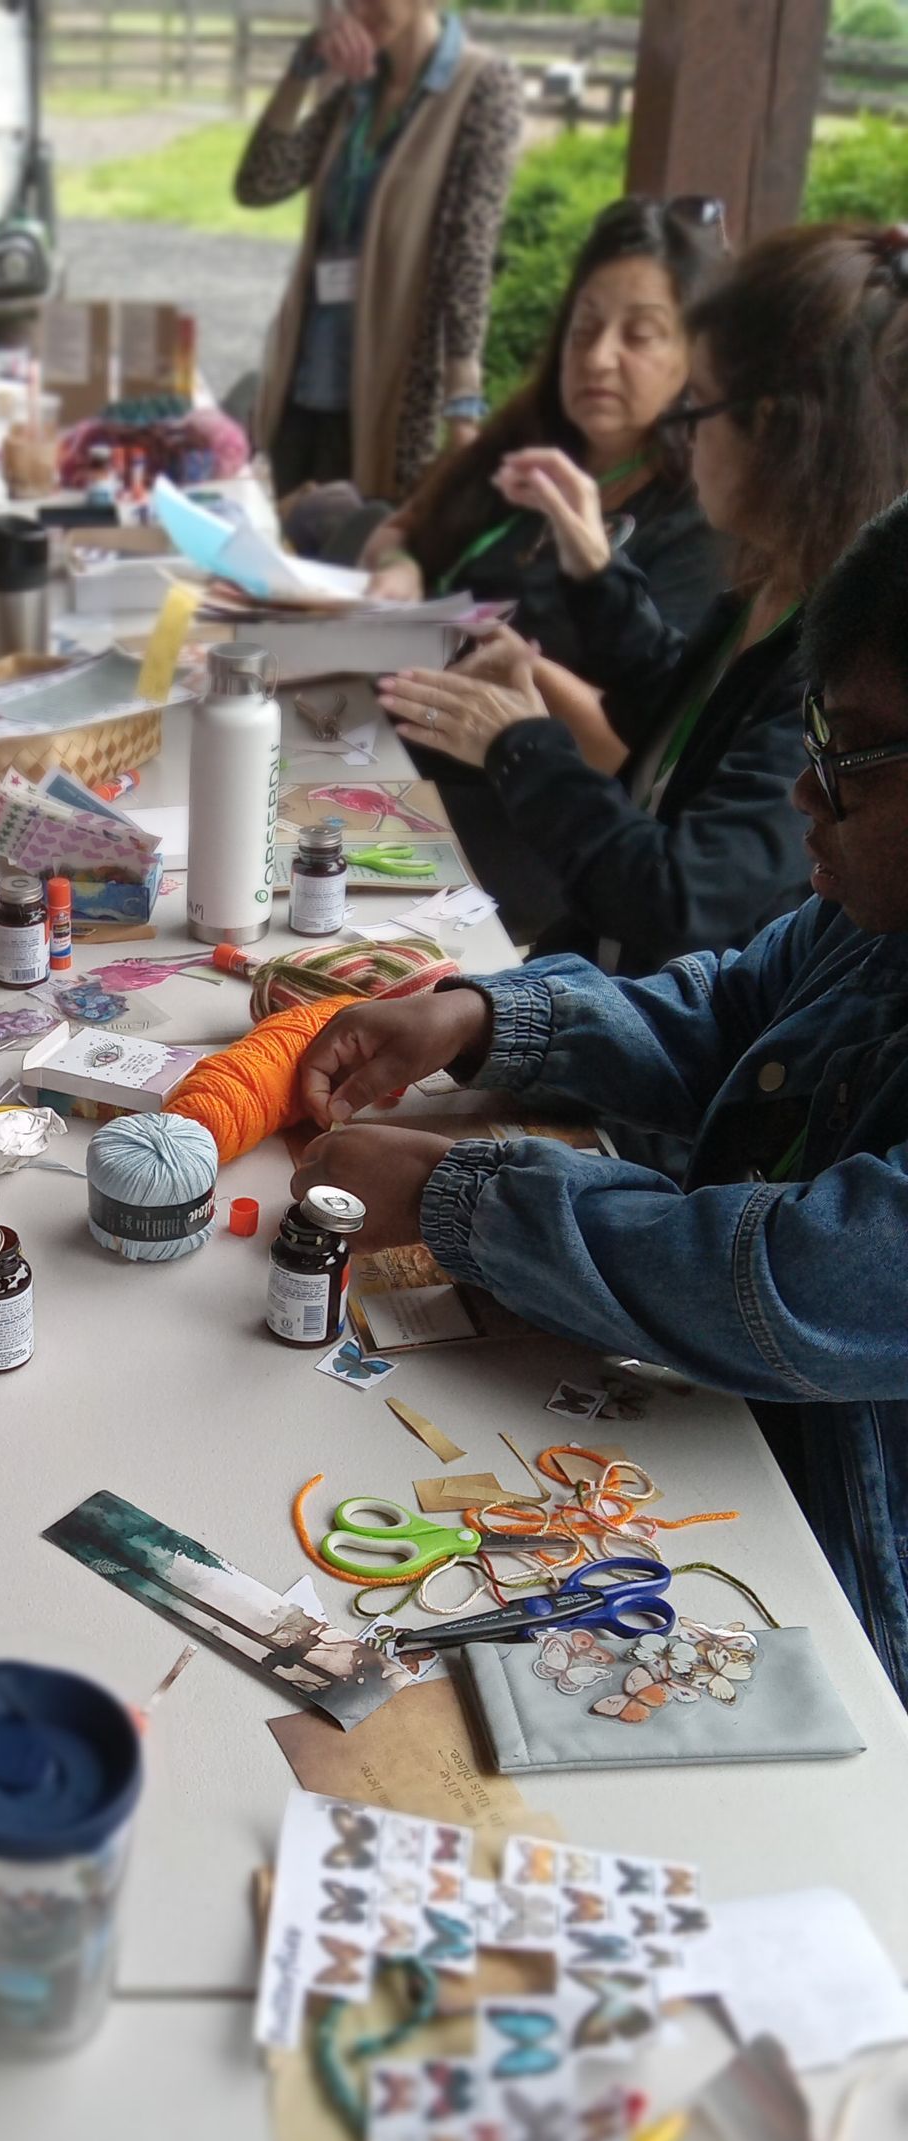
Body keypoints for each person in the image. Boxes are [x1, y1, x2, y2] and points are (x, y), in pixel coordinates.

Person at [291, 489, 908, 1700]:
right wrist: (486, 1019)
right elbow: (729, 1010)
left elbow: (801, 1277)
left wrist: (462, 1187)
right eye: (813, 743)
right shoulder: (870, 922)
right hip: (733, 1455)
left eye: (853, 763)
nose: (804, 797)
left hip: (850, 1615)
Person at [377, 225, 908, 976]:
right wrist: (595, 574)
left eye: (696, 409)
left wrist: (520, 744)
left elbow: (678, 902)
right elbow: (683, 723)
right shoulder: (769, 591)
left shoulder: (839, 665)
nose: (685, 441)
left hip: (665, 1037)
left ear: (774, 431)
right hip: (601, 988)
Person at [358, 195, 728, 937]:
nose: (598, 357)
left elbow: (648, 747)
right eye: (585, 328)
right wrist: (398, 572)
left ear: (698, 357)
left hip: (530, 819)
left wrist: (521, 675)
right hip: (392, 747)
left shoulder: (697, 521)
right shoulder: (526, 445)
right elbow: (402, 527)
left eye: (640, 334)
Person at [236, 2, 522, 505]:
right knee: (277, 566)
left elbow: (469, 254)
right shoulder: (358, 90)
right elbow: (258, 182)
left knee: (358, 566)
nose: (359, 6)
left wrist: (462, 408)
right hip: (304, 386)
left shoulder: (482, 86)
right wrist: (303, 70)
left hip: (392, 396)